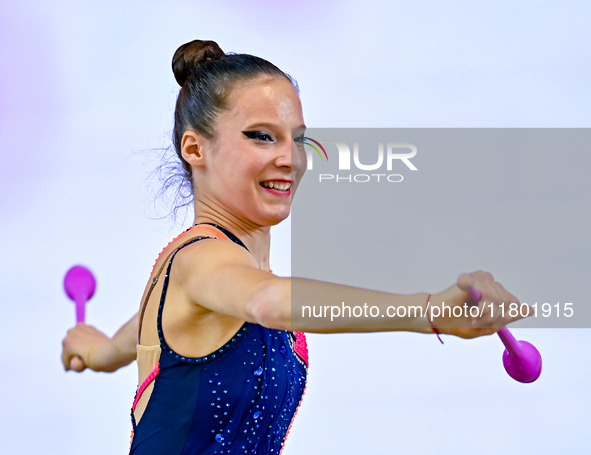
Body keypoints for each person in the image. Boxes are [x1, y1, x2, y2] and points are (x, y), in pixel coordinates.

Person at [61, 39, 530, 454]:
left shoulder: (203, 281)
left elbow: (149, 336)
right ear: (195, 149)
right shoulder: (200, 259)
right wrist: (426, 312)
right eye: (261, 136)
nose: (289, 158)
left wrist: (100, 350)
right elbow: (265, 301)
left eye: (298, 139)